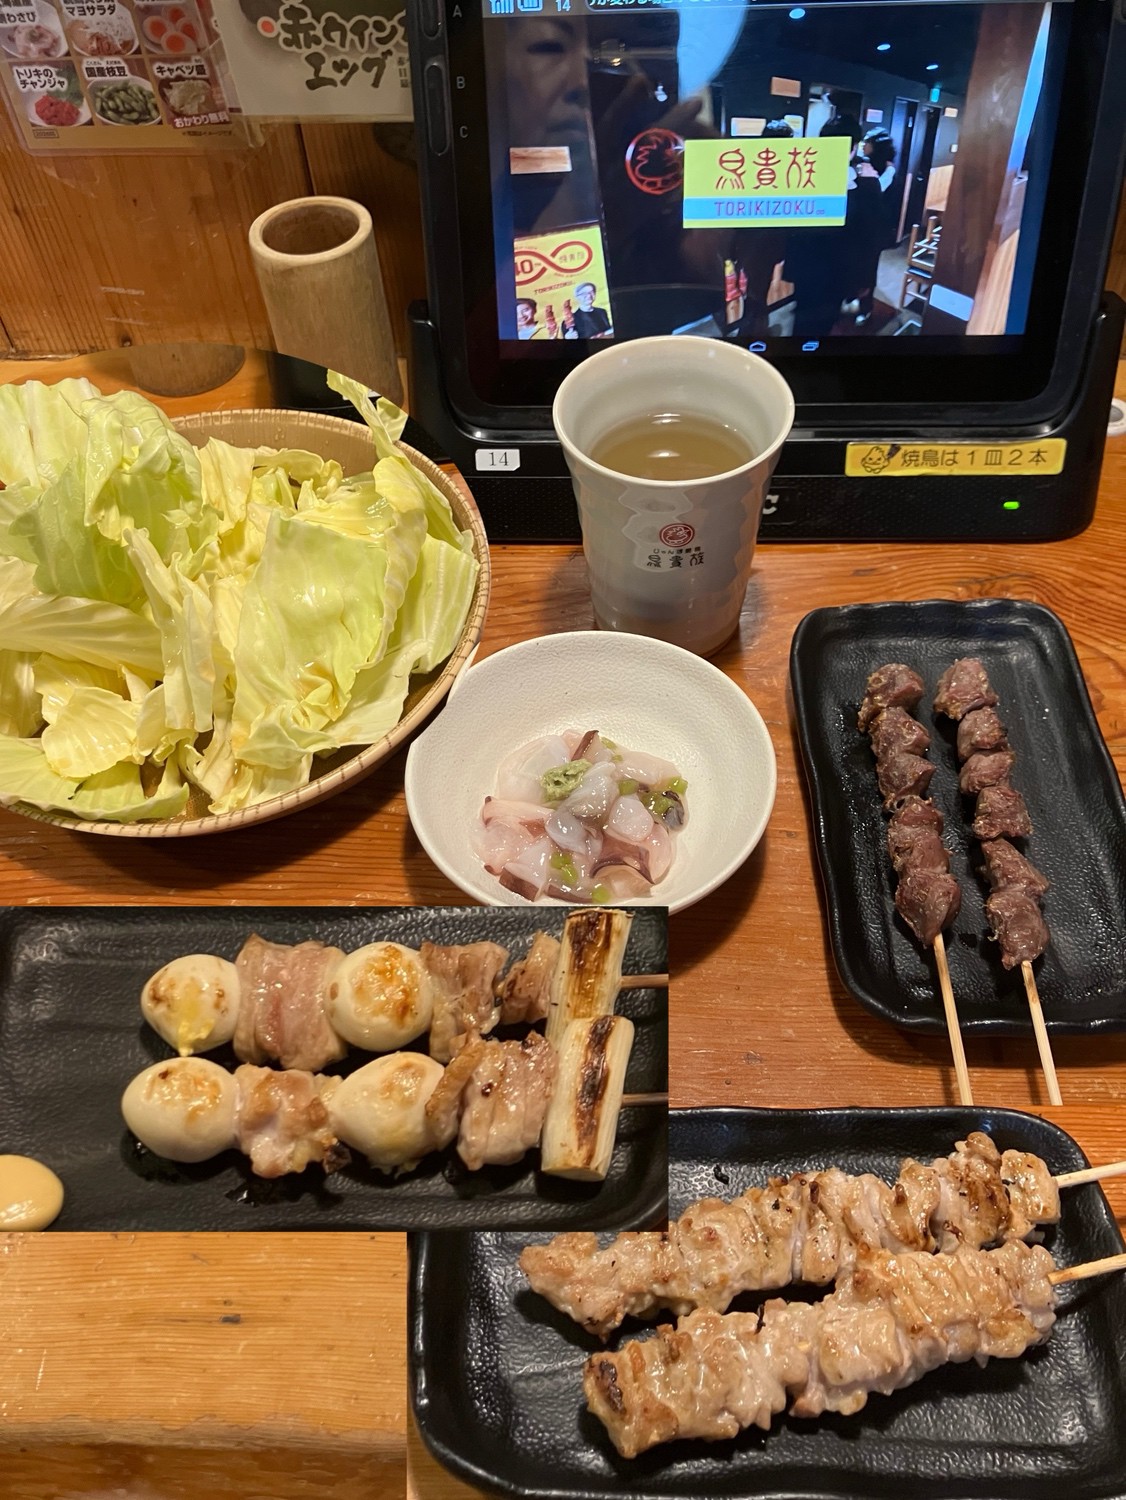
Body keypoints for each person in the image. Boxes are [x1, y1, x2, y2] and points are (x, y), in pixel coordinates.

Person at [844, 128, 899, 323]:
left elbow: (878, 190)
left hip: (872, 233)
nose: (863, 145)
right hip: (859, 229)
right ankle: (851, 298)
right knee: (854, 267)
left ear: (876, 147)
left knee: (868, 270)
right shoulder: (865, 164)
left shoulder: (886, 172)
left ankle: (865, 308)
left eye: (867, 142)